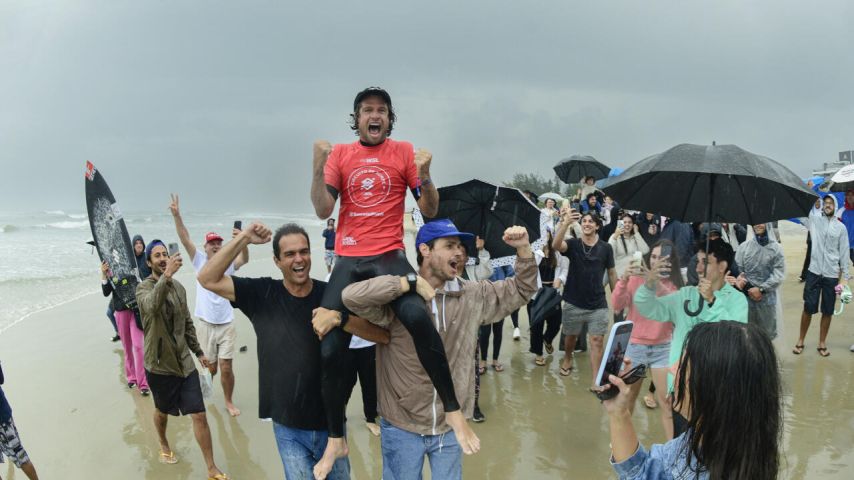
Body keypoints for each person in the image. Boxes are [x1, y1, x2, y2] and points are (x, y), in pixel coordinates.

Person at [309, 87, 476, 477]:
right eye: (368, 110)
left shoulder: (403, 151)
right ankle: (337, 438)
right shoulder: (342, 155)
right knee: (330, 346)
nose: (375, 115)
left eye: (382, 110)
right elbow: (321, 210)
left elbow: (429, 211)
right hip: (349, 257)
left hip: (389, 255)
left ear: (389, 118)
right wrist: (318, 166)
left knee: (418, 319)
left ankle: (452, 410)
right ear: (357, 118)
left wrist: (428, 174)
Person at [341, 221, 538, 480]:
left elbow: (522, 289)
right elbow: (350, 297)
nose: (460, 252)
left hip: (451, 425)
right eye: (449, 246)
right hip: (402, 425)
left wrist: (523, 250)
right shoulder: (397, 298)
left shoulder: (473, 295)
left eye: (461, 247)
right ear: (425, 250)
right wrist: (407, 284)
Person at [198, 223, 388, 479]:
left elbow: (382, 334)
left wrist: (340, 319)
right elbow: (206, 278)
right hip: (288, 426)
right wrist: (243, 238)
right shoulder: (261, 293)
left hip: (331, 425)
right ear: (277, 261)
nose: (299, 259)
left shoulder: (332, 295)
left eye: (304, 251)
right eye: (290, 254)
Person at [603, 321, 782, 480]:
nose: (672, 369)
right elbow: (644, 472)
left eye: (684, 366)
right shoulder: (706, 437)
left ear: (714, 391)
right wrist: (618, 412)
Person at [634, 237, 747, 436]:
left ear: (722, 266)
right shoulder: (685, 295)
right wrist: (649, 285)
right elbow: (649, 308)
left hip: (716, 388)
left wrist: (711, 301)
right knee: (681, 444)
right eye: (698, 261)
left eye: (706, 262)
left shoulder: (737, 300)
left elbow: (735, 337)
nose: (698, 267)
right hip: (681, 387)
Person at [135, 240, 227, 479]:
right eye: (157, 255)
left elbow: (186, 324)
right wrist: (166, 276)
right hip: (159, 365)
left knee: (199, 413)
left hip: (184, 363)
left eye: (165, 253)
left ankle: (211, 467)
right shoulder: (142, 289)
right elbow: (152, 307)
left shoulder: (178, 287)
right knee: (161, 411)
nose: (163, 257)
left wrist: (198, 353)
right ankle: (164, 443)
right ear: (148, 263)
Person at [170, 194, 248, 417]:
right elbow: (184, 238)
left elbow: (244, 259)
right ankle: (205, 394)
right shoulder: (199, 262)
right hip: (204, 325)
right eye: (211, 243)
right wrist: (177, 216)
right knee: (210, 368)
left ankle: (229, 401)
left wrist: (243, 240)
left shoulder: (229, 263)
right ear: (205, 247)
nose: (215, 245)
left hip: (226, 325)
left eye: (218, 243)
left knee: (226, 367)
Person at [611, 240, 681, 440]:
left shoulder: (675, 283)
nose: (657, 261)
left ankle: (673, 449)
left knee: (666, 401)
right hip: (635, 345)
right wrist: (624, 278)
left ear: (670, 262)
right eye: (654, 257)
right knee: (628, 397)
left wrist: (654, 283)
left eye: (662, 258)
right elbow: (616, 305)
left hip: (663, 347)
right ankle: (623, 442)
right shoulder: (635, 279)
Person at [552, 208, 617, 383]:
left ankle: (597, 378)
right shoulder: (573, 244)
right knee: (570, 337)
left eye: (590, 222)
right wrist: (565, 223)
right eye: (584, 221)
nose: (586, 224)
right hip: (574, 300)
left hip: (598, 303)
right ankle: (567, 357)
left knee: (596, 340)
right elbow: (556, 246)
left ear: (597, 226)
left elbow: (611, 273)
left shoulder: (606, 248)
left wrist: (617, 297)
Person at [794, 194, 849, 357]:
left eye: (831, 203)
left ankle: (822, 342)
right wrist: (805, 195)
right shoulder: (815, 220)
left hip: (831, 275)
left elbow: (844, 253)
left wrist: (845, 277)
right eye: (826, 202)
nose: (828, 205)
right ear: (822, 205)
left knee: (828, 310)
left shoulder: (841, 228)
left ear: (835, 206)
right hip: (814, 272)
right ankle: (800, 339)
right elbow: (802, 213)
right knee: (808, 308)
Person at [101, 260, 149, 395]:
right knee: (127, 346)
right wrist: (104, 274)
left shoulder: (132, 263)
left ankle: (143, 383)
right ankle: (131, 377)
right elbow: (106, 292)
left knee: (139, 346)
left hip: (135, 311)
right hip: (121, 312)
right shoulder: (110, 268)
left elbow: (141, 284)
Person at [732, 224, 785, 339]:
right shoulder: (744, 247)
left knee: (766, 336)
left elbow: (779, 274)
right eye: (755, 222)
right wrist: (748, 289)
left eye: (762, 222)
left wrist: (761, 289)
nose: (758, 225)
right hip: (746, 300)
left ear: (768, 224)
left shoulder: (776, 249)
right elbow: (738, 271)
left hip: (767, 301)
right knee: (748, 335)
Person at [530, 231, 569, 366]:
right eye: (541, 235)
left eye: (547, 235)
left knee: (556, 323)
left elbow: (565, 269)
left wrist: (560, 279)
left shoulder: (557, 253)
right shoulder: (533, 253)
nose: (544, 238)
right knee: (536, 325)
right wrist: (539, 252)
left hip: (552, 293)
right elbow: (526, 270)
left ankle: (547, 339)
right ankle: (538, 353)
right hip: (536, 294)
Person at [479, 261, 521, 371]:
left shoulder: (501, 259)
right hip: (484, 299)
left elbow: (511, 274)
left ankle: (495, 360)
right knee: (484, 332)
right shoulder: (480, 259)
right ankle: (483, 360)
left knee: (498, 331)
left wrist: (504, 286)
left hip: (500, 299)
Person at [0, 362, 39, 480]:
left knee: (21, 458)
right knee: (21, 456)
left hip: (2, 419)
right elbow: (1, 379)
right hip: (3, 418)